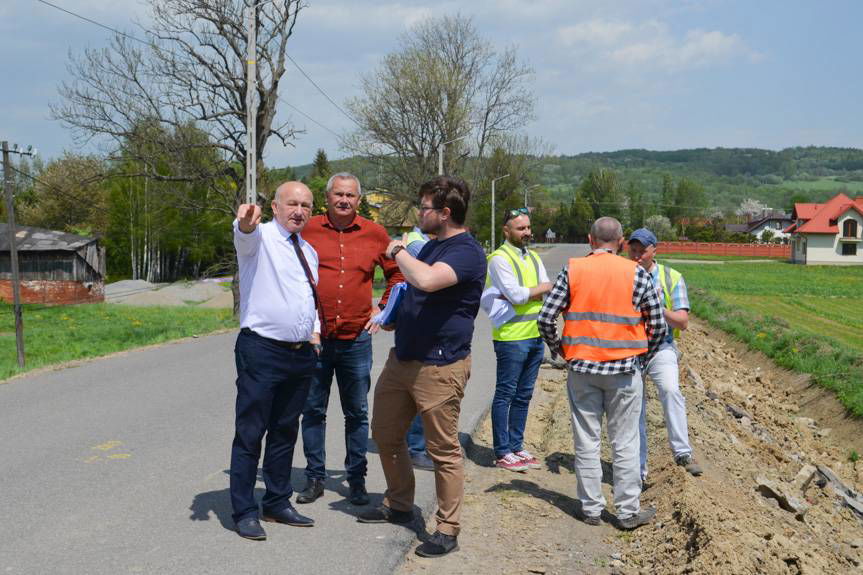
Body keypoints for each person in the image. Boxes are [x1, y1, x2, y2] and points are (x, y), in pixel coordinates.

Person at [357, 176, 486, 558]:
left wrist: (397, 250)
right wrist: (393, 316)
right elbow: (413, 292)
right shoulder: (431, 247)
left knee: (442, 451)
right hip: (403, 360)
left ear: (445, 213)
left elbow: (427, 282)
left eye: (425, 207)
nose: (419, 212)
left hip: (440, 367)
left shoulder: (466, 251)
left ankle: (447, 527)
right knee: (385, 434)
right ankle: (399, 504)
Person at [538, 217, 666, 531]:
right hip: (624, 371)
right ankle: (626, 512)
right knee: (624, 442)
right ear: (622, 242)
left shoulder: (574, 270)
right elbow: (659, 326)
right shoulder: (636, 272)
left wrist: (562, 351)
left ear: (590, 239)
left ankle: (591, 509)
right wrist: (641, 358)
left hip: (582, 369)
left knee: (586, 440)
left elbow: (545, 318)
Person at [298, 172, 404, 507]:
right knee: (313, 410)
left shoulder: (375, 234)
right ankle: (315, 477)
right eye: (338, 195)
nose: (344, 200)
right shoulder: (308, 229)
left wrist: (384, 311)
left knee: (356, 412)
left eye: (351, 196)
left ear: (359, 200)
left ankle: (356, 478)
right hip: (315, 338)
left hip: (356, 339)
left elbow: (397, 275)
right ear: (327, 198)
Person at [230, 181, 321, 541]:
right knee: (251, 432)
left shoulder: (308, 250)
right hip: (262, 350)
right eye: (292, 204)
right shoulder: (261, 238)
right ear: (276, 208)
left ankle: (277, 501)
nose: (299, 211)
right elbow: (244, 234)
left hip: (299, 354)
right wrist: (246, 223)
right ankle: (244, 510)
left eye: (306, 205)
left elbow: (307, 297)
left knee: (285, 430)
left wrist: (313, 334)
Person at [627, 228, 703, 480]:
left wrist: (656, 307)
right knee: (635, 407)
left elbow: (682, 321)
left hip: (662, 347)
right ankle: (638, 470)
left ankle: (682, 452)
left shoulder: (671, 277)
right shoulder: (624, 275)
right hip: (631, 349)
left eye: (642, 251)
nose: (637, 256)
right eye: (633, 250)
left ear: (654, 251)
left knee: (671, 390)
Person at [485, 208, 551, 471]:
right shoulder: (499, 259)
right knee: (505, 394)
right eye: (520, 228)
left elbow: (547, 286)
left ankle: (516, 446)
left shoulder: (533, 257)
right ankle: (502, 451)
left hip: (535, 336)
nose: (526, 232)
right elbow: (516, 295)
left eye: (527, 227)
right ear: (506, 231)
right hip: (511, 338)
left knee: (524, 395)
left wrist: (530, 292)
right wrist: (533, 292)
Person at [403, 225, 435, 471]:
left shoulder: (422, 240)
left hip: (425, 325)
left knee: (425, 392)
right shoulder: (416, 242)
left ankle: (418, 445)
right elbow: (433, 271)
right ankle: (415, 448)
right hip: (418, 326)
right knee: (420, 392)